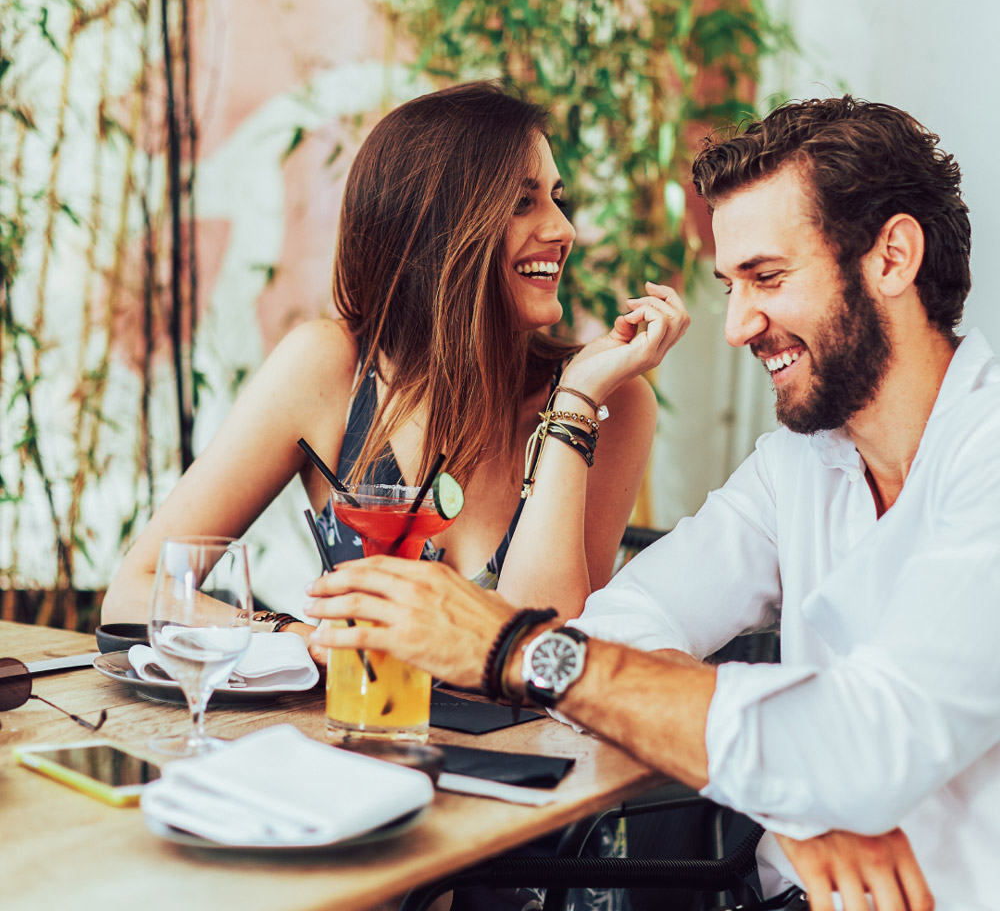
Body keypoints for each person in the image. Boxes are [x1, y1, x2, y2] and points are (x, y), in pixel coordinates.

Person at [306, 96, 999, 911]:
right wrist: (793, 777)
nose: (739, 325)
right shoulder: (800, 465)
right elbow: (612, 625)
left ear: (893, 258)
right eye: (730, 285)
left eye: (767, 278)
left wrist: (519, 651)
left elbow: (867, 743)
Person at [102, 80, 690, 646]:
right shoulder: (331, 368)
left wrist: (575, 406)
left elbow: (547, 655)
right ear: (437, 226)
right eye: (521, 202)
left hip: (520, 747)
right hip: (355, 734)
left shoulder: (605, 402)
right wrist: (298, 637)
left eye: (557, 200)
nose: (563, 229)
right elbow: (138, 590)